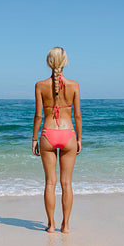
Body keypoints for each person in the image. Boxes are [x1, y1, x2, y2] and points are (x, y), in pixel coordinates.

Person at [32, 47, 82, 234]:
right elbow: (77, 116)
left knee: (50, 183)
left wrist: (34, 138)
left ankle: (51, 225)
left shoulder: (39, 85)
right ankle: (66, 226)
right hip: (68, 133)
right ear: (65, 62)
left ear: (48, 62)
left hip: (48, 134)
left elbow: (38, 116)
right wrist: (79, 139)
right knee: (67, 184)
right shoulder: (74, 85)